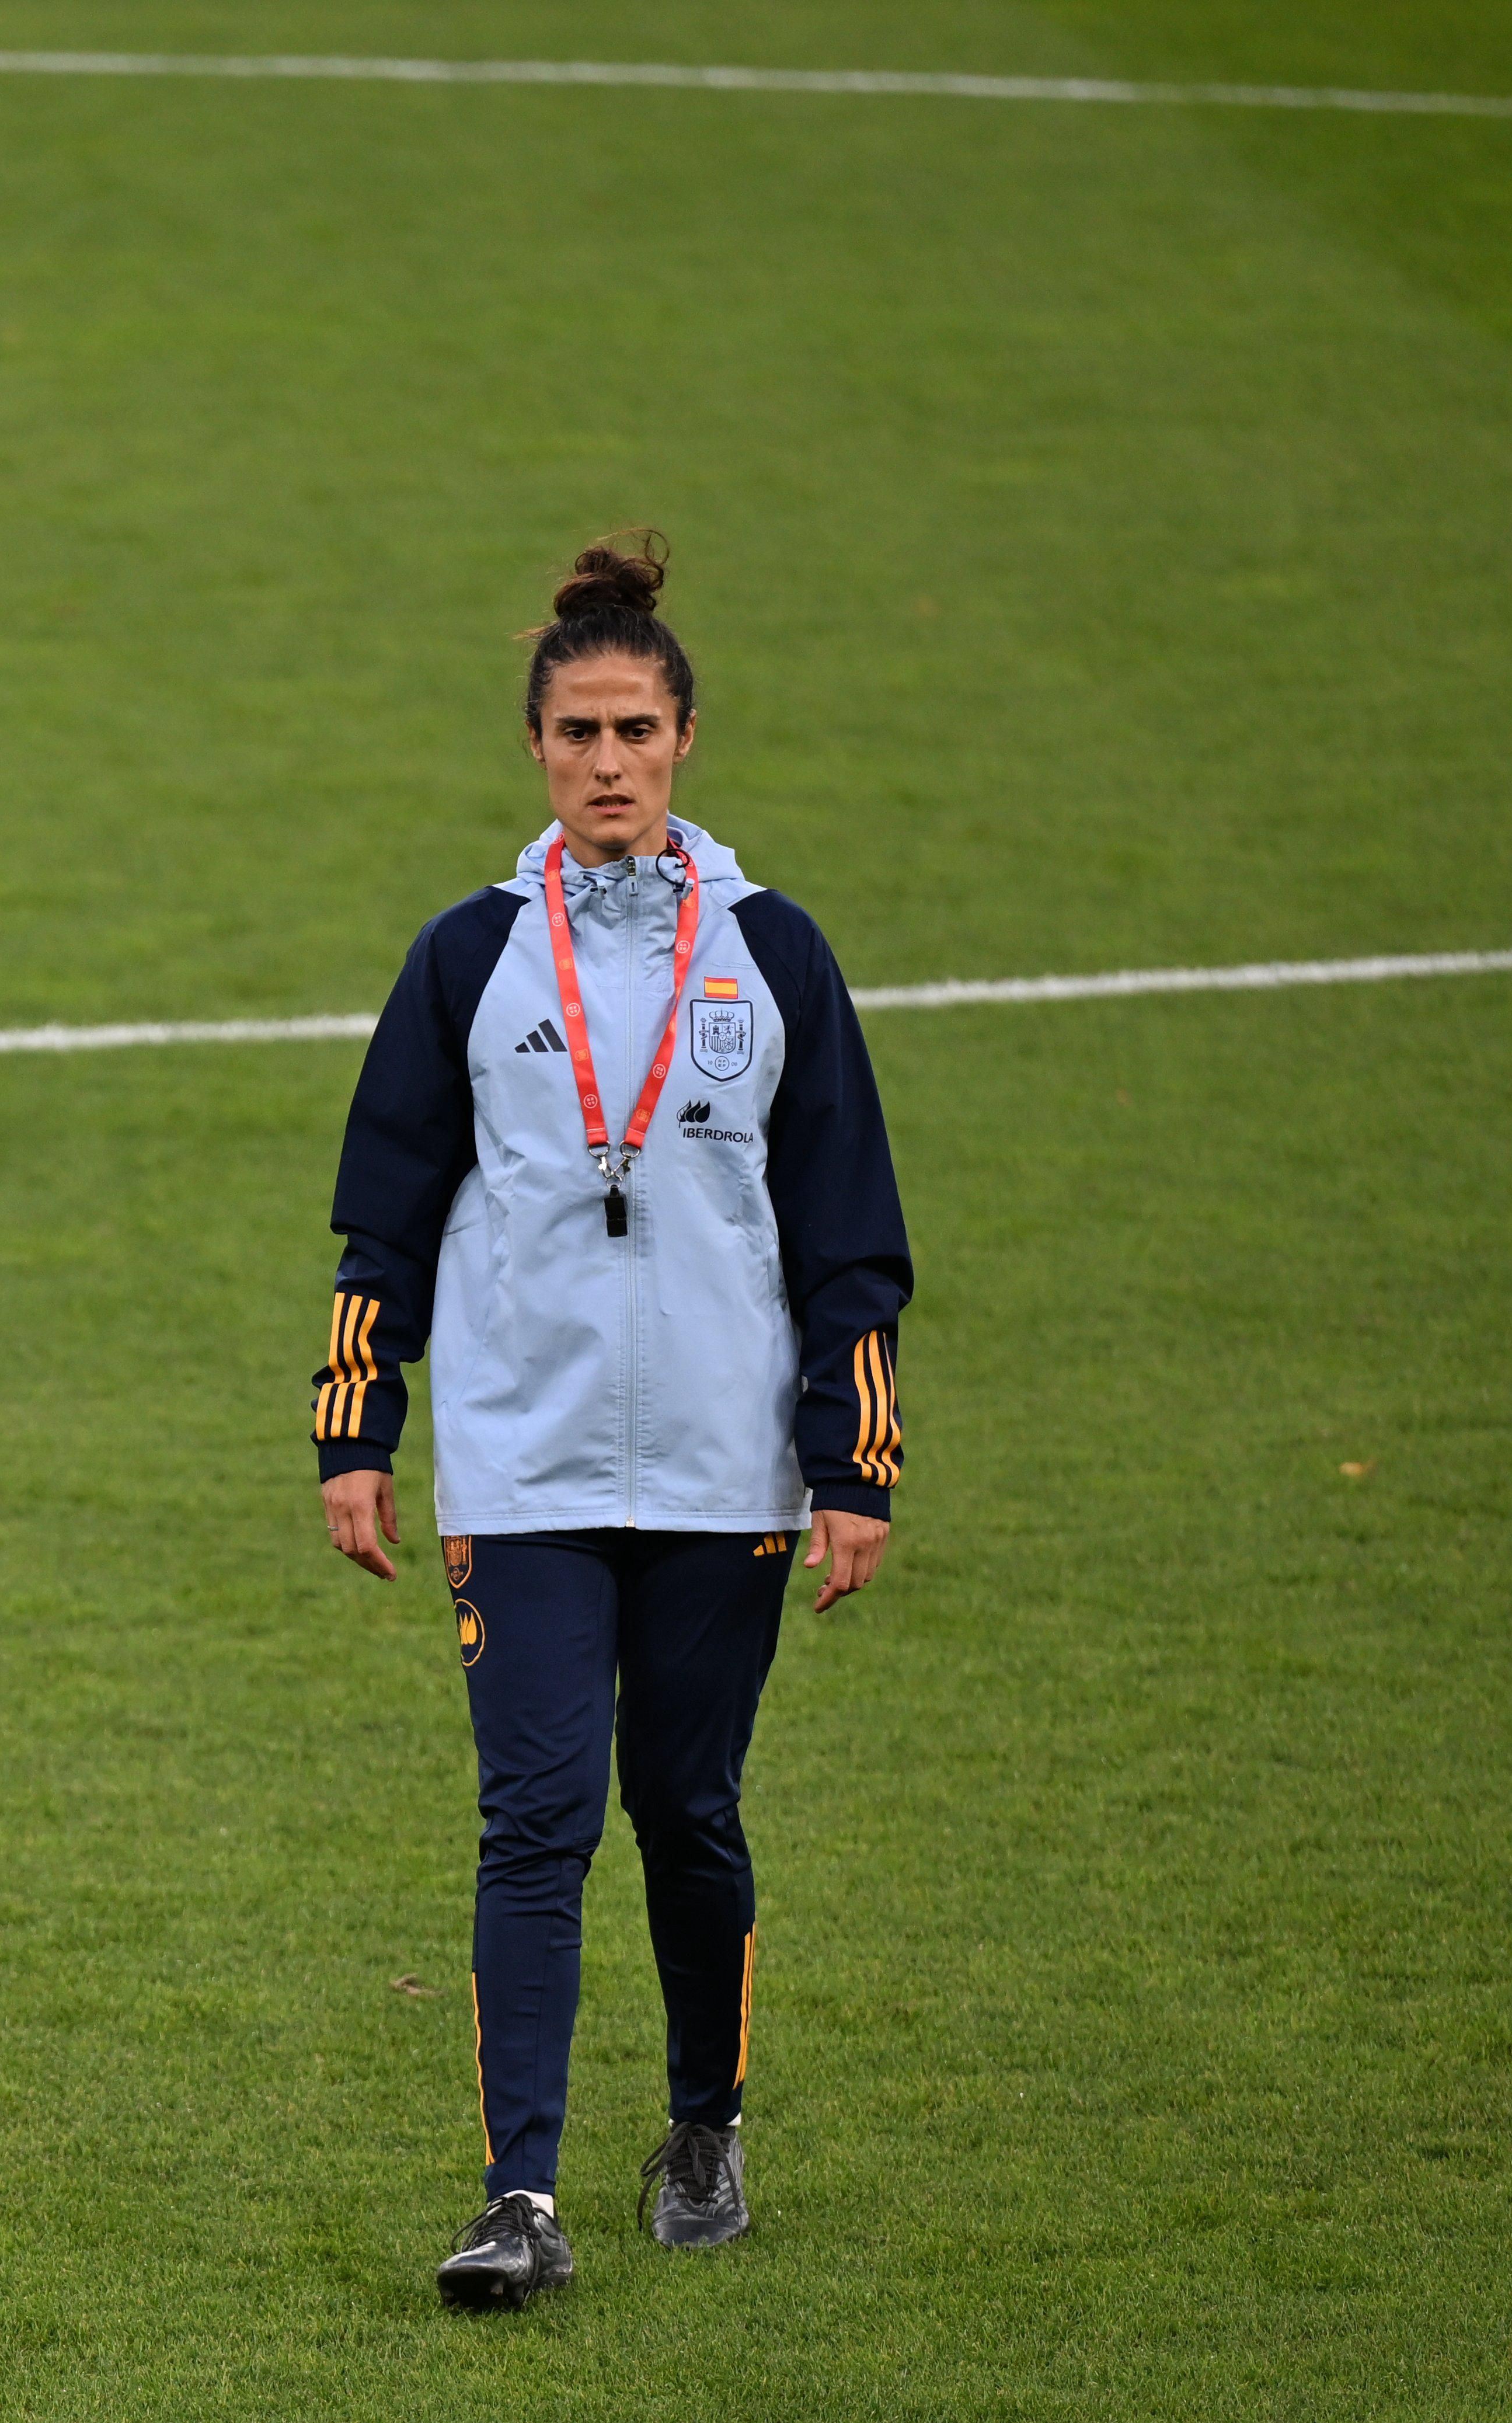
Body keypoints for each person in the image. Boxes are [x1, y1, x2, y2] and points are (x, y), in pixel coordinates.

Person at [312, 535, 912, 2312]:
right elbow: (384, 1209)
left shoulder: (775, 959)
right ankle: (520, 2195)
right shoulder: (468, 960)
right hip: (525, 1457)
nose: (606, 761)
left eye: (635, 727)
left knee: (689, 1805)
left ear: (686, 740)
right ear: (536, 752)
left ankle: (706, 2122)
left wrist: (850, 1466)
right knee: (538, 1813)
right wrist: (359, 1434)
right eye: (575, 731)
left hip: (728, 1466)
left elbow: (849, 1233)